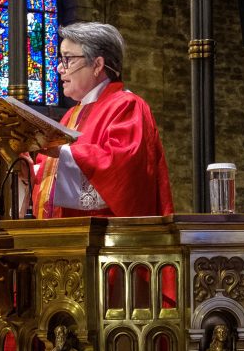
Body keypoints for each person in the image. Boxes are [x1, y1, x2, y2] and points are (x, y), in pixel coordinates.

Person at [32, 22, 174, 218]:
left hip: (109, 241)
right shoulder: (70, 115)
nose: (59, 68)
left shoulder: (128, 105)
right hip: (66, 237)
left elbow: (121, 168)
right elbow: (50, 172)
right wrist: (26, 171)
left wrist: (59, 150)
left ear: (97, 65)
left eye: (68, 59)